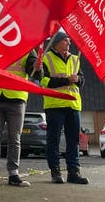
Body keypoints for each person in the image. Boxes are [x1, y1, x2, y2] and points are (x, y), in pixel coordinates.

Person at [0, 50, 43, 188]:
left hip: (16, 98)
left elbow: (37, 74)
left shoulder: (27, 50)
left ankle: (13, 174)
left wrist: (38, 69)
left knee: (15, 138)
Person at [40, 31, 90, 185]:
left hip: (73, 104)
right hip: (55, 105)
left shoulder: (75, 59)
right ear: (57, 42)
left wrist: (78, 80)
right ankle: (55, 172)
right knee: (53, 140)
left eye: (69, 41)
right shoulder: (46, 59)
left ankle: (73, 172)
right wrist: (66, 80)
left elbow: (82, 80)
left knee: (73, 140)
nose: (69, 44)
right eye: (66, 41)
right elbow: (44, 82)